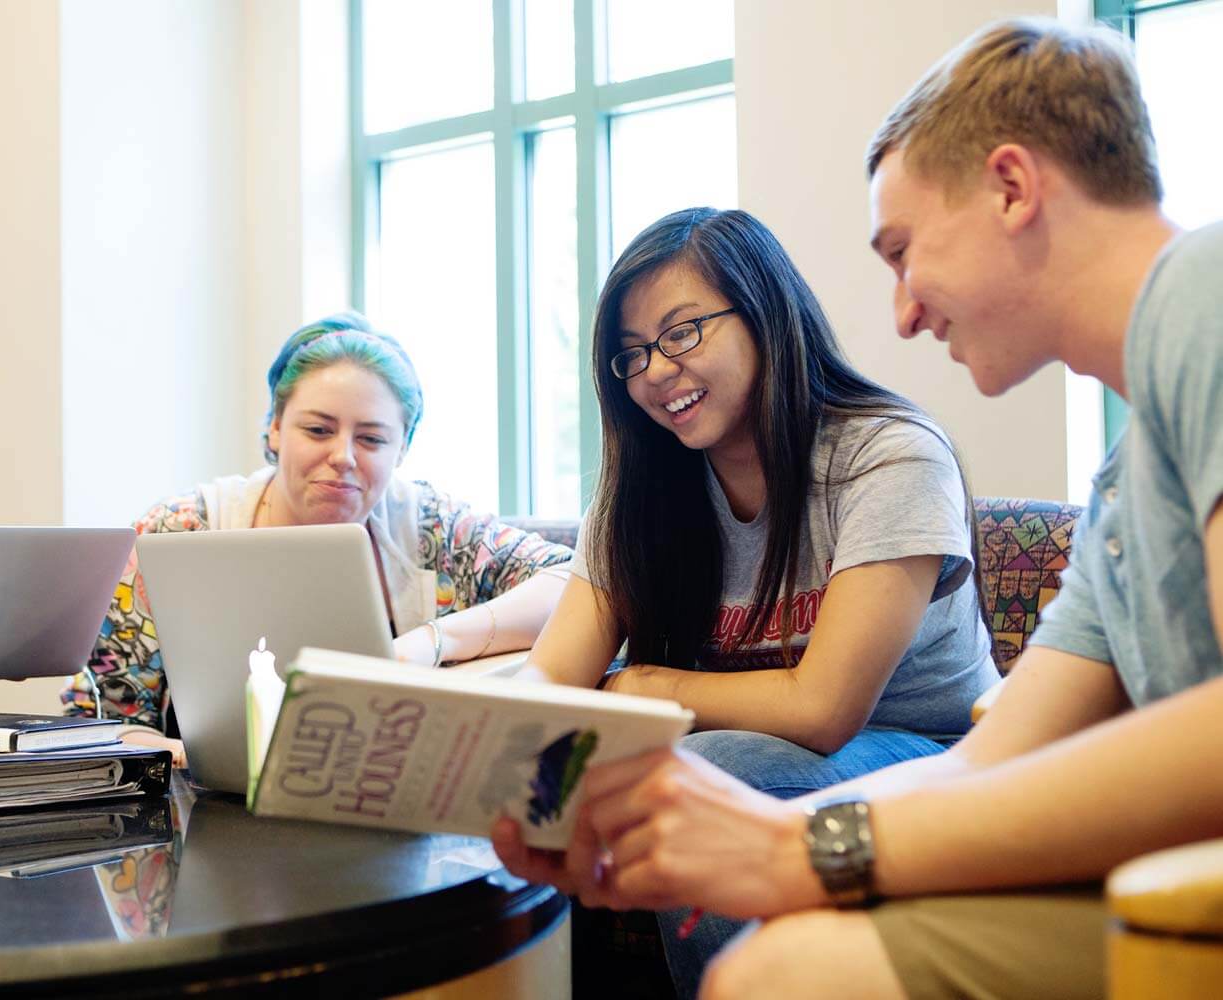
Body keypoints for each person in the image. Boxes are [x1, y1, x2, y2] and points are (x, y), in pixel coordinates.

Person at [493, 17, 1223, 1000]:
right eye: (633, 355)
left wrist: (806, 850)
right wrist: (771, 839)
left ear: (1010, 187)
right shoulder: (1118, 495)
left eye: (901, 249)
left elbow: (881, 734)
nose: (902, 313)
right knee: (767, 964)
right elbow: (994, 758)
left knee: (778, 963)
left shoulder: (1201, 291)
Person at [516, 206, 997, 991]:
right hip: (744, 749)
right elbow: (553, 675)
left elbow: (821, 710)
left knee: (707, 769)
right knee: (545, 781)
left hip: (936, 755)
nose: (655, 373)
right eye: (631, 355)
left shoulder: (888, 456)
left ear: (765, 314)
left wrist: (643, 687)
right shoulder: (640, 488)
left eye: (681, 333)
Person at [61, 312, 573, 746]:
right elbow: (97, 717)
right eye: (318, 430)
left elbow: (583, 584)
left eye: (372, 439)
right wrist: (159, 752)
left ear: (403, 450)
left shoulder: (435, 530)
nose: (343, 457)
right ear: (275, 428)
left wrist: (431, 642)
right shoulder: (176, 533)